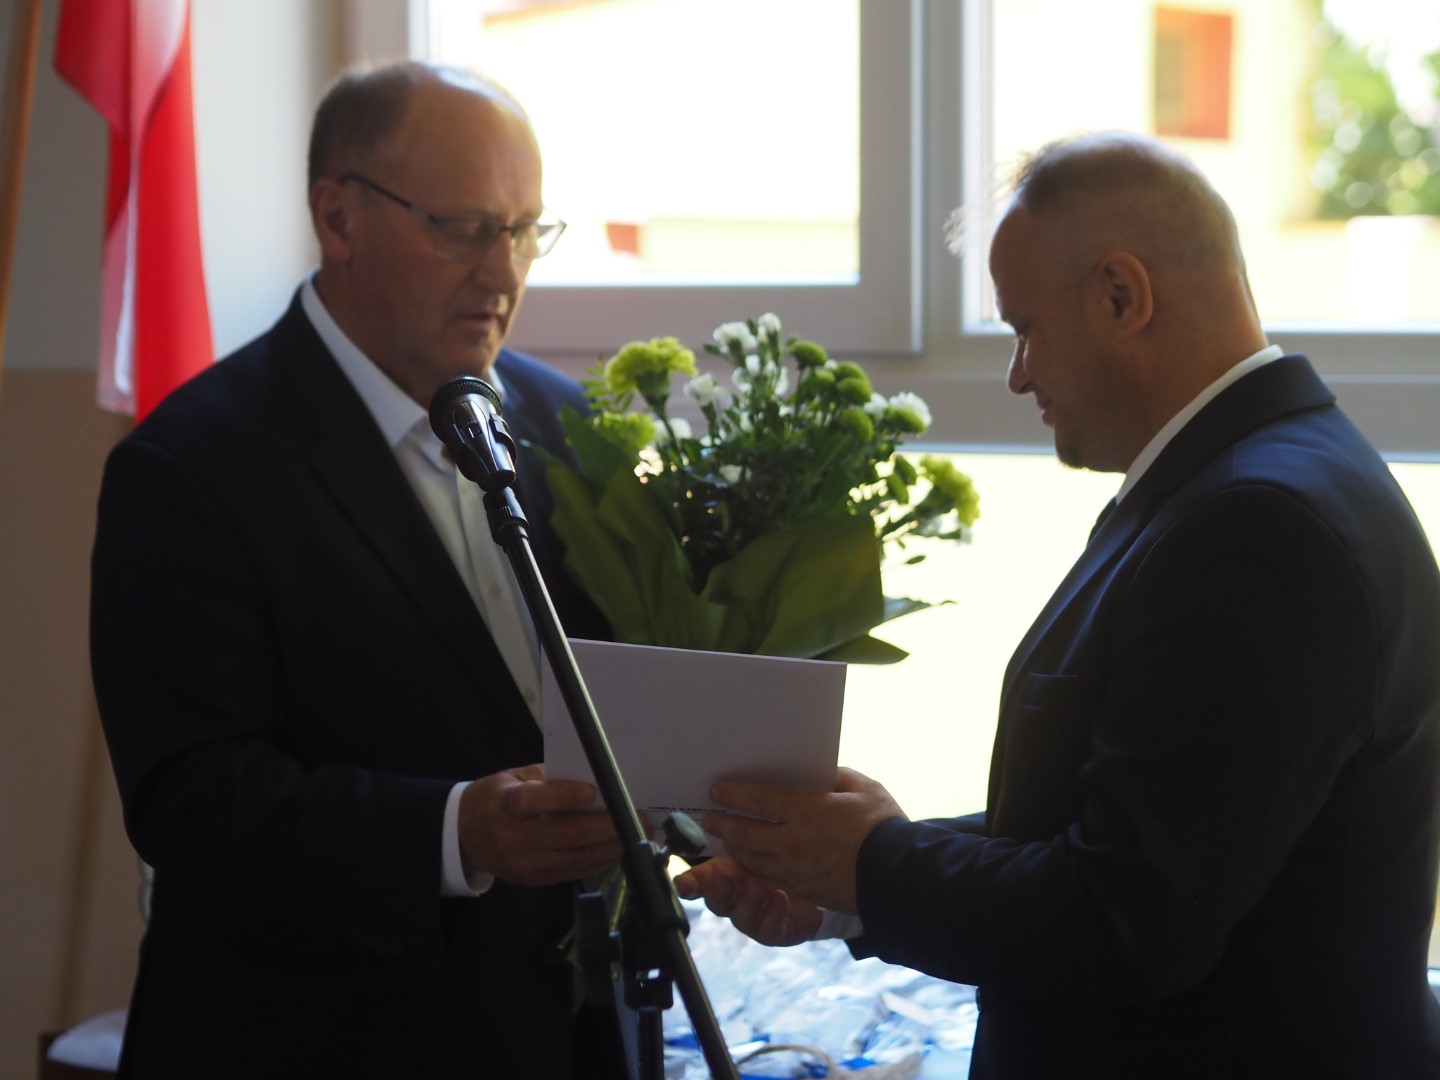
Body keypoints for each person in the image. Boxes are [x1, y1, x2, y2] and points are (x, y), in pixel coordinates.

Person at [677, 132, 1440, 1078]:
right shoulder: (1252, 484)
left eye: (1024, 327)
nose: (1017, 374)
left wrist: (875, 865)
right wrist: (855, 874)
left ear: (1121, 295)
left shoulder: (1258, 525)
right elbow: (1132, 826)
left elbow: (1127, 918)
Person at [90, 61, 631, 1078]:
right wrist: (456, 832)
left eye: (524, 231)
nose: (502, 273)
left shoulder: (566, 422)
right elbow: (194, 802)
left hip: (564, 1029)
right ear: (338, 218)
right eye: (464, 228)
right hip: (314, 1040)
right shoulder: (190, 467)